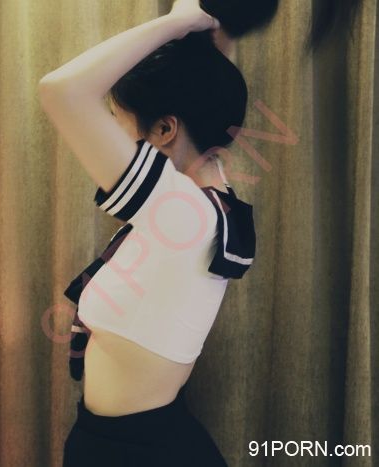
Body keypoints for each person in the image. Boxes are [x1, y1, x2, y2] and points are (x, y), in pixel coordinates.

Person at [38, 1, 269, 465]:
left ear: (164, 128)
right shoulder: (209, 203)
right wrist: (199, 38)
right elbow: (207, 97)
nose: (111, 134)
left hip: (132, 452)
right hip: (142, 442)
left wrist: (178, 22)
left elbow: (61, 90)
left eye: (116, 120)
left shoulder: (184, 214)